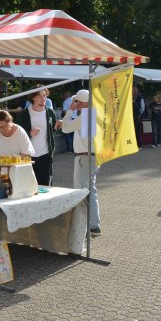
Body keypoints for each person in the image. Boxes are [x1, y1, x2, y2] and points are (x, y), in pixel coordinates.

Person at [57, 90, 102, 236]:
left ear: (81, 102)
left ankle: (85, 224)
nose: (75, 104)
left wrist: (70, 111)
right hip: (94, 156)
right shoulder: (93, 114)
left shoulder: (86, 115)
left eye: (77, 102)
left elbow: (65, 128)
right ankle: (94, 224)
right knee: (91, 190)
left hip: (84, 157)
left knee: (82, 190)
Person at [15, 90, 57, 185]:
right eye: (40, 96)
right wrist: (29, 133)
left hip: (45, 155)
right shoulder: (24, 113)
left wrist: (58, 125)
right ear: (33, 97)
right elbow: (16, 130)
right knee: (29, 185)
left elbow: (53, 130)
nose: (44, 99)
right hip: (28, 155)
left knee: (45, 186)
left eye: (45, 96)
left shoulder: (50, 112)